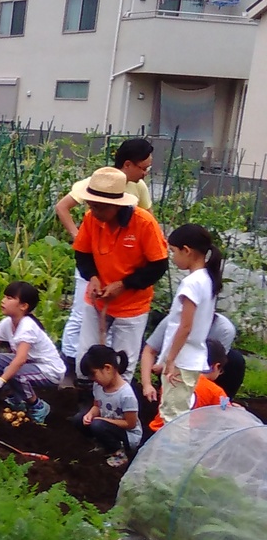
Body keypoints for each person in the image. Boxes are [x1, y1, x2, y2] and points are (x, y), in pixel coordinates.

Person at [55, 139, 154, 379]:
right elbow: (64, 211)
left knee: (122, 351)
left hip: (129, 296)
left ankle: (115, 394)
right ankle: (75, 372)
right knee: (82, 320)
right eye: (143, 167)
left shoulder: (140, 209)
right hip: (98, 281)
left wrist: (124, 283)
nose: (145, 173)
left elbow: (155, 260)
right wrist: (80, 241)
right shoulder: (94, 197)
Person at [70, 166, 169, 382]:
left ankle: (118, 406)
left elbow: (158, 266)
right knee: (86, 359)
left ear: (115, 205)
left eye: (99, 208)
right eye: (91, 206)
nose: (93, 212)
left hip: (131, 304)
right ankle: (88, 401)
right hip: (97, 300)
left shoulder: (144, 223)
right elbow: (82, 254)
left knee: (123, 363)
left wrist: (123, 284)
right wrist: (93, 278)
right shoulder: (91, 219)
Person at [0, 282, 65, 424]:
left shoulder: (27, 326)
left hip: (50, 370)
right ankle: (15, 399)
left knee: (14, 372)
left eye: (9, 298)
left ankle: (38, 406)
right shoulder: (7, 323)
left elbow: (20, 360)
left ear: (23, 306)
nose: (3, 300)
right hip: (32, 365)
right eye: (5, 297)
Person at [153, 224, 221, 425]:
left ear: (187, 250)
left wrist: (171, 360)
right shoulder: (207, 279)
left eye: (174, 252)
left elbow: (185, 327)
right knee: (175, 413)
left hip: (182, 360)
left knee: (173, 417)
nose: (173, 258)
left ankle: (176, 456)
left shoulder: (192, 283)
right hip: (189, 357)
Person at [141, 312, 242, 399]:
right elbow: (149, 351)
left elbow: (216, 359)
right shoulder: (172, 321)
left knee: (235, 360)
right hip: (172, 365)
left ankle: (222, 402)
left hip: (204, 365)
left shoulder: (224, 329)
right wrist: (147, 385)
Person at [74, 345, 142, 468]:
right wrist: (90, 414)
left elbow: (130, 424)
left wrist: (103, 420)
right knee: (79, 419)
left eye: (94, 374)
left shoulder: (126, 394)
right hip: (107, 427)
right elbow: (97, 405)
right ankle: (101, 444)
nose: (93, 379)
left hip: (127, 436)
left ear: (107, 368)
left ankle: (119, 453)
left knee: (98, 425)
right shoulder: (98, 386)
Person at [146, 340, 231, 435]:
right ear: (216, 366)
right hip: (184, 437)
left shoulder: (174, 378)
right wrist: (237, 410)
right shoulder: (216, 392)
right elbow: (227, 416)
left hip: (155, 432)